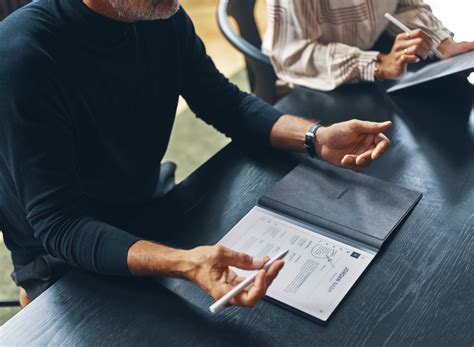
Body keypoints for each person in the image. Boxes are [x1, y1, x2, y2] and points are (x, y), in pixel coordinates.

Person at [0, 0, 392, 309]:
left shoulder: (159, 13)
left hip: (143, 205)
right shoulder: (24, 56)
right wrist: (184, 263)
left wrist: (315, 137)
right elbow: (60, 226)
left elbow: (226, 103)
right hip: (61, 257)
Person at [262, 0, 474, 91]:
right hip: (317, 83)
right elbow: (293, 55)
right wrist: (378, 63)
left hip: (374, 61)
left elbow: (404, 6)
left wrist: (441, 43)